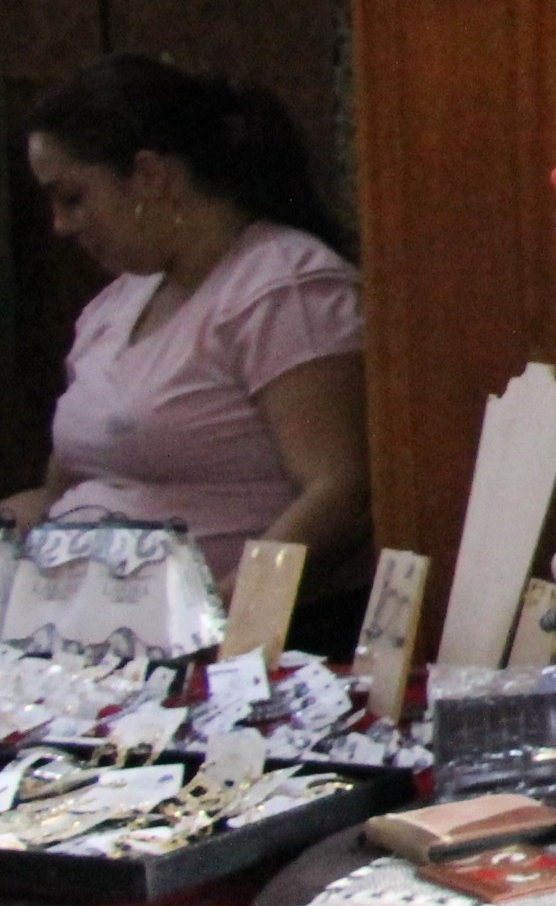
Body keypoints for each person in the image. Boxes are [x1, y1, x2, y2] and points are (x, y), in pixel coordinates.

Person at [7, 55, 370, 652]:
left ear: (150, 175)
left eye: (73, 197)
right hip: (78, 632)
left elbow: (341, 493)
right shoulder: (114, 307)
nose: (60, 226)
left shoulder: (282, 288)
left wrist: (222, 615)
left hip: (215, 641)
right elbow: (61, 492)